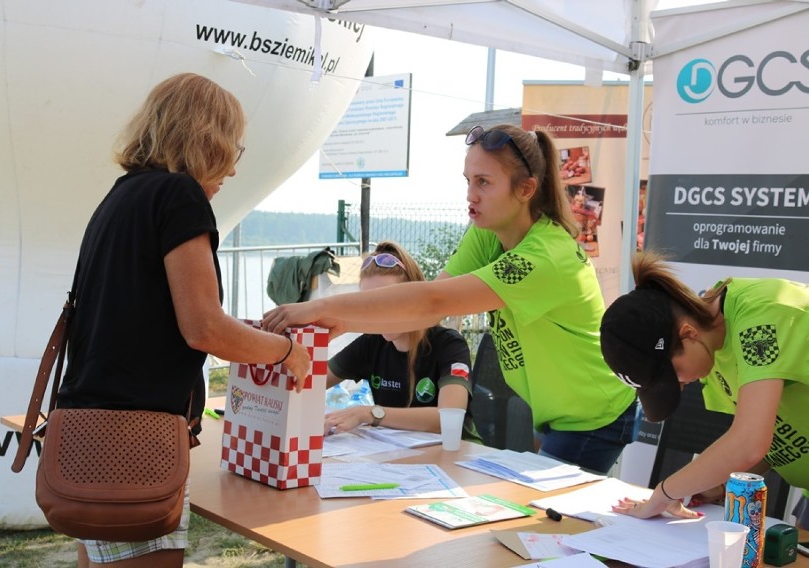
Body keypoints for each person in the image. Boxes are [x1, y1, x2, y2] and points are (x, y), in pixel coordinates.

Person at [264, 124, 638, 474]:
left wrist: (325, 309)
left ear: (525, 190)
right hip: (555, 410)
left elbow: (432, 302)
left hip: (592, 413)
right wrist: (346, 322)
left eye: (484, 182)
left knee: (549, 528)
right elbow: (420, 311)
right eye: (468, 180)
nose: (470, 195)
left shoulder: (545, 257)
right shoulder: (490, 232)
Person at [56, 73, 310, 568]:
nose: (233, 170)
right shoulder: (179, 196)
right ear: (206, 140)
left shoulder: (122, 195)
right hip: (136, 442)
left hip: (91, 428)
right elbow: (205, 330)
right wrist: (285, 350)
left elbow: (149, 313)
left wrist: (229, 326)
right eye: (234, 149)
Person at [600, 251, 808, 522]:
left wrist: (665, 494)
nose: (682, 385)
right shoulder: (714, 344)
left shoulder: (760, 319)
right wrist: (717, 485)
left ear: (689, 334)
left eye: (674, 374)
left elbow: (750, 443)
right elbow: (777, 438)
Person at [325, 241, 479, 440]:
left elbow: (447, 418)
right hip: (397, 456)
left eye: (388, 301)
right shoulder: (371, 343)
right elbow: (309, 382)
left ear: (413, 297)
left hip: (456, 456)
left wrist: (369, 413)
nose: (378, 313)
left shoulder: (449, 345)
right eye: (368, 304)